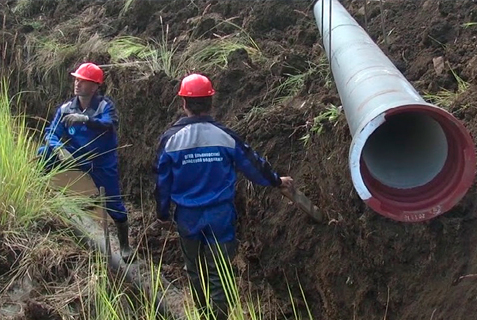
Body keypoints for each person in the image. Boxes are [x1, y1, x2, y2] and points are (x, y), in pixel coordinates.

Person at [153, 73, 293, 320]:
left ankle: (203, 313)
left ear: (183, 103)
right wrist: (275, 181)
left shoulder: (171, 140)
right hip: (220, 215)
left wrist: (163, 213)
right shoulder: (224, 136)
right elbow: (252, 164)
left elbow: (162, 182)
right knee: (220, 272)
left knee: (195, 270)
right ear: (211, 102)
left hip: (188, 216)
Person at [38, 62, 133, 262]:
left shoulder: (104, 106)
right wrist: (58, 148)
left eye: (83, 81)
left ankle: (124, 244)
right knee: (44, 152)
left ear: (95, 86)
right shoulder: (65, 109)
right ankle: (42, 192)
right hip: (76, 155)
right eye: (76, 79)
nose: (77, 83)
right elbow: (51, 133)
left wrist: (85, 119)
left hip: (101, 161)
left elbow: (110, 124)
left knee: (114, 203)